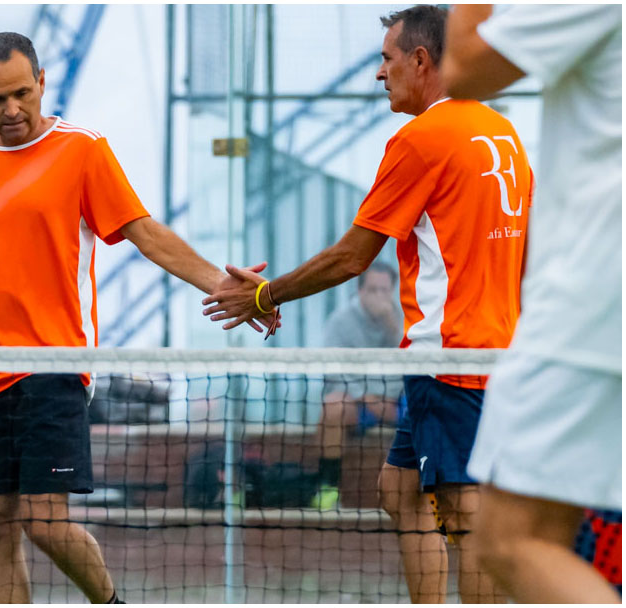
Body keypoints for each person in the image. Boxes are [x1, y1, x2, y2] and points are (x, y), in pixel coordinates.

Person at [0, 32, 276, 604]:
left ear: (42, 83)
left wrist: (224, 285)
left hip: (54, 368)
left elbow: (144, 232)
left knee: (44, 522)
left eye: (23, 93)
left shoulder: (82, 150)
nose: (12, 109)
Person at [203, 5, 532, 602]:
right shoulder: (501, 132)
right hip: (495, 353)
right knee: (399, 491)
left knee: (465, 516)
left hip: (448, 360)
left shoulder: (421, 139)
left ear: (420, 60)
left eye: (386, 59)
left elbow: (352, 257)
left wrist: (262, 295)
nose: (380, 73)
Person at [441, 4, 622, 603]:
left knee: (509, 541)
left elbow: (463, 65)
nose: (380, 73)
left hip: (594, 301)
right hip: (590, 304)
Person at [314, 261, 403, 510]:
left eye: (384, 290)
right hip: (358, 403)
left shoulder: (403, 317)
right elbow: (334, 371)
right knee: (333, 408)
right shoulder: (340, 322)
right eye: (373, 290)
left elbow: (413, 364)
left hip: (394, 401)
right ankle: (328, 488)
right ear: (360, 291)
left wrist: (391, 326)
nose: (379, 296)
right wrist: (367, 398)